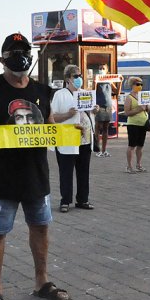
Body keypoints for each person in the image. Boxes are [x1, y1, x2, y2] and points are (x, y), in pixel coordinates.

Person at [0, 33, 69, 300]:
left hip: (36, 174)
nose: (19, 56)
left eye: (24, 51)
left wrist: (73, 133)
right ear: (2, 59)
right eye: (13, 52)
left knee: (41, 227)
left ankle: (41, 281)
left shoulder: (44, 91)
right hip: (3, 176)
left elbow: (49, 129)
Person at [51, 65, 96, 213]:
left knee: (84, 170)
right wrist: (67, 115)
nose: (79, 79)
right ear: (68, 78)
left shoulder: (85, 93)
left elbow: (90, 112)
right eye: (76, 76)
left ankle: (83, 199)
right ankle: (65, 201)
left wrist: (95, 110)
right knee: (66, 170)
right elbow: (51, 117)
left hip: (85, 138)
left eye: (80, 75)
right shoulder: (60, 95)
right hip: (67, 138)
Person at [123, 76, 150, 174]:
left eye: (141, 84)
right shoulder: (129, 97)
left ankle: (139, 165)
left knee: (140, 146)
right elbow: (127, 112)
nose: (140, 86)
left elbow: (147, 109)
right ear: (132, 85)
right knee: (132, 145)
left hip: (143, 123)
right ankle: (129, 166)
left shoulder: (143, 96)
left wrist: (147, 106)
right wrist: (139, 108)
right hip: (133, 124)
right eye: (138, 84)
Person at [94, 65, 116, 157]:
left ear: (107, 71)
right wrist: (95, 82)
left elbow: (117, 92)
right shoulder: (98, 80)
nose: (101, 70)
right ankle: (97, 149)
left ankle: (104, 150)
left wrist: (121, 82)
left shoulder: (109, 81)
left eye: (103, 69)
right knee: (98, 128)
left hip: (108, 106)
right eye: (100, 68)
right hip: (99, 106)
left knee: (106, 128)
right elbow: (93, 91)